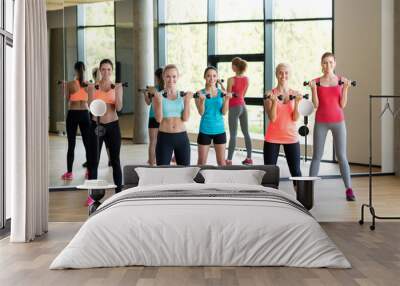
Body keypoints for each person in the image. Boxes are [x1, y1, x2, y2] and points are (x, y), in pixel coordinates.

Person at [307, 52, 355, 201]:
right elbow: (316, 105)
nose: (328, 65)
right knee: (317, 156)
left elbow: (342, 105)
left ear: (335, 63)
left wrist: (346, 88)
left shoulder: (341, 81)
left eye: (330, 62)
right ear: (321, 65)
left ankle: (349, 189)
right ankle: (309, 189)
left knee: (341, 156)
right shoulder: (316, 82)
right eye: (325, 63)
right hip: (321, 122)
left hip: (338, 122)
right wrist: (313, 89)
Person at [87, 59, 123, 193]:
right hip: (97, 126)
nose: (106, 72)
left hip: (113, 125)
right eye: (103, 69)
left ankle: (118, 193)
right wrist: (92, 91)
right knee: (93, 162)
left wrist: (118, 91)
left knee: (115, 161)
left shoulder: (116, 87)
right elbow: (91, 108)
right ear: (99, 71)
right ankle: (92, 195)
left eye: (109, 69)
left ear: (111, 71)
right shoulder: (93, 87)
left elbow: (119, 107)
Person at [264, 63, 302, 186]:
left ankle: (301, 201)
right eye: (280, 72)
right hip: (272, 137)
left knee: (296, 172)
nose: (283, 75)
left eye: (286, 73)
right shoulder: (269, 94)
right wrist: (274, 101)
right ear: (276, 74)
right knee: (269, 173)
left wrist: (297, 103)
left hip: (291, 137)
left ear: (289, 75)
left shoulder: (295, 93)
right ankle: (270, 200)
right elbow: (273, 118)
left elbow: (295, 118)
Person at [150, 64, 192, 166]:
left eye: (174, 76)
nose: (171, 79)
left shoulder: (183, 96)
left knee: (185, 172)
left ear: (178, 77)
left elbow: (185, 118)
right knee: (163, 172)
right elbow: (159, 119)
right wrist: (159, 102)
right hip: (164, 137)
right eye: (168, 76)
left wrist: (187, 102)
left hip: (181, 137)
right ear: (163, 77)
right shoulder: (158, 96)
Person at [195, 66, 231, 165]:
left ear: (217, 77)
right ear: (204, 77)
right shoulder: (199, 93)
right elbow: (201, 113)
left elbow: (223, 112)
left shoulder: (222, 93)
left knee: (221, 162)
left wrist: (227, 99)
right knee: (201, 162)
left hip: (219, 130)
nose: (212, 78)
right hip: (205, 130)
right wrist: (202, 101)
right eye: (209, 76)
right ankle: (199, 180)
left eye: (214, 76)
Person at [61, 61, 91, 180]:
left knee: (71, 144)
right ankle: (89, 171)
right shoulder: (88, 84)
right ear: (84, 70)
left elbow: (67, 98)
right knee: (87, 144)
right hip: (84, 113)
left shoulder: (70, 84)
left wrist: (64, 88)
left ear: (75, 70)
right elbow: (90, 100)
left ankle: (69, 173)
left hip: (73, 114)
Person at [226, 57, 253, 165]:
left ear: (235, 67)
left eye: (232, 65)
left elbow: (228, 96)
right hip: (243, 106)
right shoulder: (247, 79)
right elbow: (242, 94)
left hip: (234, 107)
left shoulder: (231, 80)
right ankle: (249, 158)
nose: (231, 67)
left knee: (233, 134)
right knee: (246, 133)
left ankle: (228, 160)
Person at [144, 68, 164, 166]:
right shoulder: (167, 89)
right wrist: (145, 93)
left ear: (156, 77)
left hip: (154, 117)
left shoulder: (153, 89)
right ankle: (159, 161)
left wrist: (145, 94)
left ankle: (151, 163)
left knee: (153, 142)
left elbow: (148, 103)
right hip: (163, 116)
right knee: (165, 141)